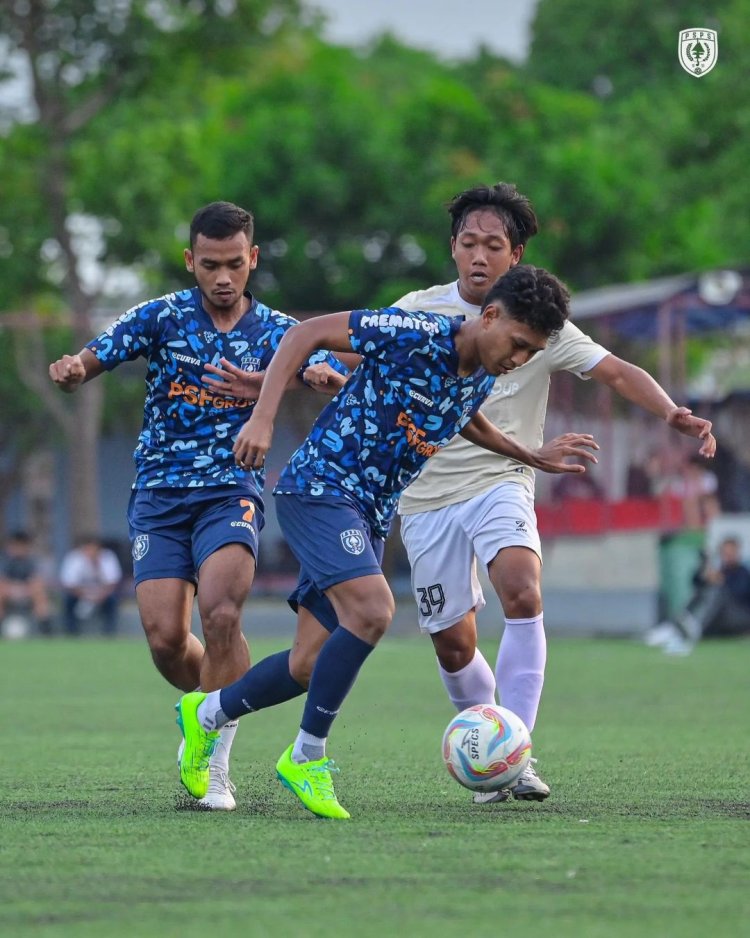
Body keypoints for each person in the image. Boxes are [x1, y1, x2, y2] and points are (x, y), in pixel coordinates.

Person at [175, 263, 600, 819]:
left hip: (368, 512)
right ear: (489, 316)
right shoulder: (415, 330)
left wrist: (530, 455)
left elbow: (463, 415)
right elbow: (306, 334)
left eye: (531, 353)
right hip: (320, 489)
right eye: (517, 344)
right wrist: (263, 416)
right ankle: (307, 756)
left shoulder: (481, 370)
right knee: (375, 609)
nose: (518, 359)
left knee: (307, 664)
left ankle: (206, 715)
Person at [389, 182, 717, 805]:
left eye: (493, 245)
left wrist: (671, 411)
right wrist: (312, 372)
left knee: (521, 587)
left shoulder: (545, 322)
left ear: (515, 255)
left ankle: (517, 754)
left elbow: (616, 370)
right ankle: (489, 755)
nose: (479, 256)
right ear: (452, 248)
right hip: (426, 496)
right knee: (454, 641)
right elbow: (365, 360)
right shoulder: (419, 310)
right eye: (468, 244)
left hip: (503, 479)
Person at [48, 201, 347, 810]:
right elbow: (101, 349)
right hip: (158, 495)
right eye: (210, 265)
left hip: (229, 492)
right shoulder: (161, 316)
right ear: (191, 261)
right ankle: (205, 707)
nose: (222, 278)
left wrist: (321, 378)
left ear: (252, 259)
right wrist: (76, 368)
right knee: (164, 637)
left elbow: (324, 363)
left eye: (234, 265)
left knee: (221, 614)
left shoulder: (277, 330)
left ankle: (215, 763)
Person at [59, 535, 123, 636]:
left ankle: (109, 634)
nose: (92, 552)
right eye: (88, 549)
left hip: (102, 595)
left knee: (112, 600)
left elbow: (112, 583)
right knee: (68, 600)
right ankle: (71, 633)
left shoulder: (108, 557)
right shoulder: (74, 558)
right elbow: (69, 584)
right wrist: (86, 596)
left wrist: (97, 567)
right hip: (80, 594)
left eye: (95, 549)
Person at [0, 530, 53, 637]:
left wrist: (24, 589)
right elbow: (3, 580)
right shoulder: (4, 560)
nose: (18, 549)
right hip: (9, 592)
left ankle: (45, 631)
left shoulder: (32, 560)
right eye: (16, 545)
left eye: (22, 545)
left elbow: (36, 580)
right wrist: (14, 588)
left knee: (39, 591)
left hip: (28, 592)